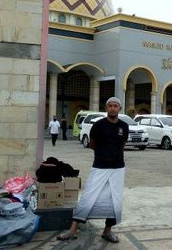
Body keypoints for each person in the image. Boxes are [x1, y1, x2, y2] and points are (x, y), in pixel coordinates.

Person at [57, 97, 128, 243]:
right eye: (110, 106)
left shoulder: (124, 126)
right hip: (100, 167)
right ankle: (72, 230)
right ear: (106, 108)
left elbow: (122, 144)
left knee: (115, 200)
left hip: (118, 168)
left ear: (120, 108)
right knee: (88, 197)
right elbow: (92, 144)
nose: (113, 108)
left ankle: (107, 231)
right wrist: (103, 154)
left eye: (115, 106)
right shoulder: (98, 125)